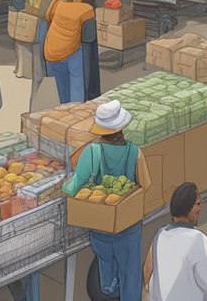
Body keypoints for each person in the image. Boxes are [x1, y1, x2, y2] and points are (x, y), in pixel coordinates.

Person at [62, 101, 152, 301]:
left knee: (106, 274)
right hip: (128, 228)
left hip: (100, 228)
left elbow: (73, 186)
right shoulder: (134, 152)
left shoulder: (91, 152)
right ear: (121, 128)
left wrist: (61, 185)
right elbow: (145, 184)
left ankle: (110, 288)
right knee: (130, 274)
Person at [145, 183, 207, 300]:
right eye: (197, 204)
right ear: (187, 208)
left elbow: (147, 275)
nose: (199, 209)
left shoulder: (159, 235)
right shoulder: (197, 239)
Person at [43, 0, 103, 103]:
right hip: (69, 53)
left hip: (51, 53)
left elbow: (48, 17)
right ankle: (77, 108)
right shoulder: (86, 9)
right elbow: (89, 37)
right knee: (77, 81)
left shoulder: (58, 3)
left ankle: (64, 110)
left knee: (62, 88)